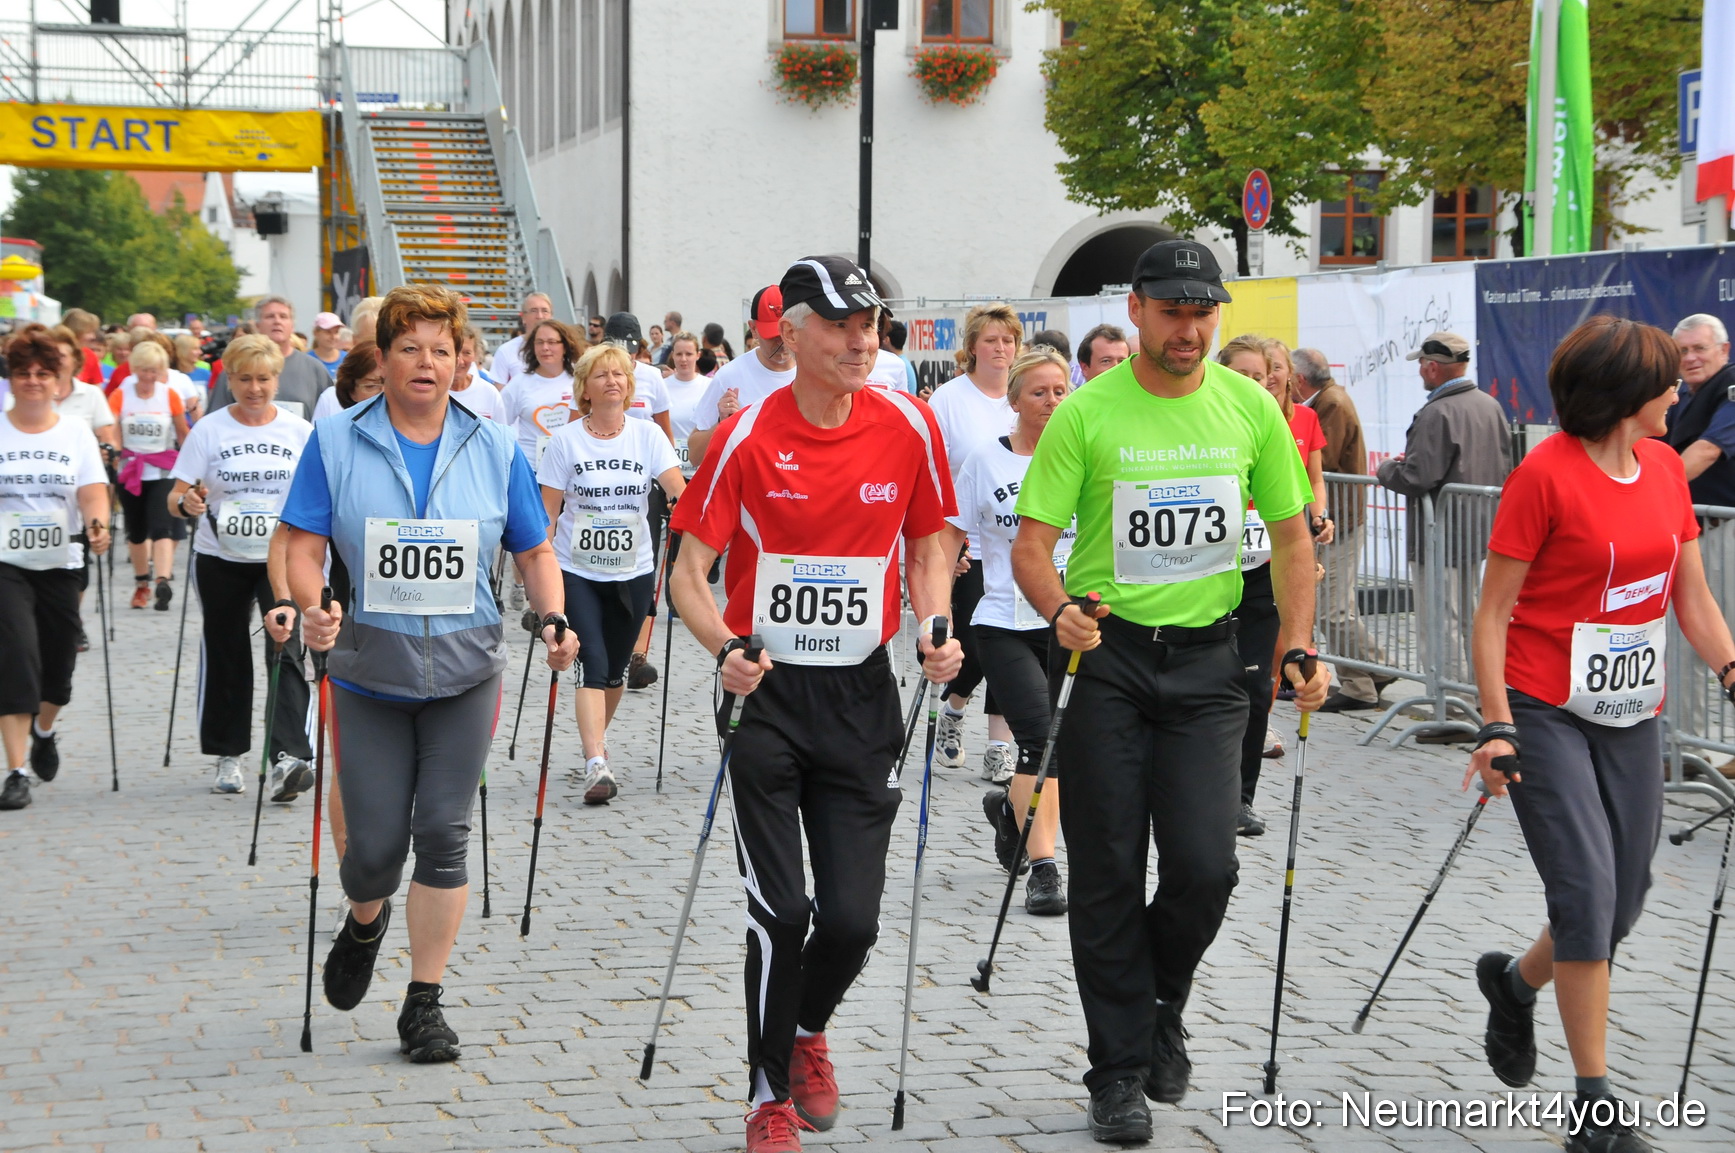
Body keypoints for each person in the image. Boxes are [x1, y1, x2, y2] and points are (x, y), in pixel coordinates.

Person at [1010, 239, 1328, 1143]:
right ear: (1139, 308)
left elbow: (1294, 539)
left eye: (1203, 313)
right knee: (1106, 869)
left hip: (1207, 664)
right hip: (1106, 661)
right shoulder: (1086, 413)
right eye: (1172, 312)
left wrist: (1297, 642)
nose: (1188, 330)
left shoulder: (1248, 409)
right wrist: (1059, 607)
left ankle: (1162, 999)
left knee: (1205, 863)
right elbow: (1033, 545)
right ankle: (1115, 1072)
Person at [669, 255, 961, 1152]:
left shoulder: (908, 424)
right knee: (781, 909)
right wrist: (725, 649)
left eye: (868, 322)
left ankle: (805, 1030)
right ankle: (766, 1094)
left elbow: (929, 544)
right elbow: (686, 574)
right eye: (837, 324)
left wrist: (935, 622)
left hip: (860, 691)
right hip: (766, 692)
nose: (859, 339)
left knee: (851, 919)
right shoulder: (745, 436)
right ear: (787, 333)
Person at [283, 284, 577, 1064]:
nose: (425, 362)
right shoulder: (337, 438)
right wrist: (311, 605)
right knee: (374, 848)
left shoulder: (492, 443)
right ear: (382, 357)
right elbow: (299, 543)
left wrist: (551, 614)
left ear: (462, 360)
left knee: (444, 833)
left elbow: (534, 547)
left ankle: (424, 1002)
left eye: (441, 349)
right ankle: (364, 919)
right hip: (367, 671)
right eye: (409, 347)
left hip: (465, 669)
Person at [1467, 316, 1735, 1153]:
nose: (1679, 390)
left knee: (1622, 898)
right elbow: (1492, 614)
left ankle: (1513, 985)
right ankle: (1595, 1109)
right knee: (1584, 894)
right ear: (1627, 394)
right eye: (1667, 381)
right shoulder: (1542, 477)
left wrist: (1733, 671)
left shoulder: (1661, 467)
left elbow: (1688, 595)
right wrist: (1494, 723)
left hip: (1628, 711)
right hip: (1542, 706)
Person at [942, 346, 1074, 914]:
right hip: (1003, 620)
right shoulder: (985, 462)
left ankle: (1008, 811)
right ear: (1014, 399)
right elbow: (949, 537)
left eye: (1060, 391)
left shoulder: (1082, 457)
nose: (1050, 401)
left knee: (1060, 748)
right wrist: (934, 610)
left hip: (1071, 623)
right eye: (1039, 392)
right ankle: (1044, 868)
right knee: (1041, 740)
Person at [167, 334, 316, 797]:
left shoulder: (299, 431)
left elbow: (318, 495)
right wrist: (187, 502)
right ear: (229, 380)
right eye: (245, 379)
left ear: (278, 379)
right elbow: (175, 497)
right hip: (221, 558)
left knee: (288, 648)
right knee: (227, 652)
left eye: (265, 379)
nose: (255, 388)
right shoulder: (209, 430)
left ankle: (288, 757)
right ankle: (227, 755)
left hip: (284, 559)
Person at [538, 342, 683, 803]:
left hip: (633, 569)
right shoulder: (566, 441)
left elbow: (676, 492)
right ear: (585, 387)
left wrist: (691, 522)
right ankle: (596, 761)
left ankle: (595, 741)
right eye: (601, 375)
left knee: (617, 668)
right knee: (592, 661)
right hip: (576, 569)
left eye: (619, 374)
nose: (612, 381)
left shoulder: (647, 436)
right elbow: (549, 512)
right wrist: (533, 565)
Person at [1217, 336, 1332, 837]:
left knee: (1254, 686)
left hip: (1262, 575)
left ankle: (1241, 797)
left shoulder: (1276, 428)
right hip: (1210, 575)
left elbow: (1295, 514)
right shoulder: (1205, 424)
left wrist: (1306, 552)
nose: (1253, 384)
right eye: (1240, 375)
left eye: (1260, 376)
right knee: (1213, 688)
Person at [0, 331, 112, 811]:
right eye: (23, 372)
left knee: (59, 666)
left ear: (58, 380)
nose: (32, 381)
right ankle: (15, 770)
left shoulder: (73, 432)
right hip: (6, 561)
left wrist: (98, 523)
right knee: (16, 656)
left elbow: (91, 490)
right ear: (11, 377)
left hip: (62, 559)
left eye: (42, 374)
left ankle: (45, 730)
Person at [1376, 330, 1512, 687]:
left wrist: (1388, 468)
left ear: (1434, 368)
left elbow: (1417, 478)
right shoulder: (1489, 404)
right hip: (1478, 530)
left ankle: (1449, 704)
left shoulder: (1438, 412)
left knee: (1441, 620)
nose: (1420, 369)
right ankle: (1478, 693)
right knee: (1470, 616)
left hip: (1441, 534)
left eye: (1422, 363)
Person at [926, 303, 1022, 783]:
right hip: (968, 542)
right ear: (972, 348)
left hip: (1019, 542)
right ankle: (955, 707)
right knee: (978, 647)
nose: (1001, 348)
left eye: (1008, 340)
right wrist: (947, 546)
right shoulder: (949, 398)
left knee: (1013, 641)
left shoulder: (1023, 397)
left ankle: (1000, 747)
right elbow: (936, 471)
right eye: (991, 340)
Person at [1291, 347, 1391, 713]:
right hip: (1334, 516)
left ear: (1299, 379)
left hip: (1336, 519)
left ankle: (1361, 681)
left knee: (1331, 609)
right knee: (1335, 606)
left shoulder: (1329, 404)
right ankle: (1374, 670)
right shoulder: (1329, 399)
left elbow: (1321, 461)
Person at [110, 339, 191, 611]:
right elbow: (111, 427)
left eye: (154, 371)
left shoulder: (169, 395)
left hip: (162, 469)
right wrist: (113, 450)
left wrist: (193, 461)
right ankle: (141, 583)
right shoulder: (122, 394)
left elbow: (182, 431)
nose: (148, 376)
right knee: (135, 531)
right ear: (135, 369)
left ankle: (162, 581)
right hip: (131, 469)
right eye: (144, 370)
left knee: (161, 526)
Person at [685, 287, 795, 466]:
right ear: (753, 329)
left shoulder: (815, 371)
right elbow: (695, 455)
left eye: (787, 332)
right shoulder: (730, 376)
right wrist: (723, 424)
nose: (781, 342)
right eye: (772, 336)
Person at [208, 297, 331, 419]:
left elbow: (331, 417)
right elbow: (216, 421)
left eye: (283, 316)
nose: (277, 321)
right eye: (270, 316)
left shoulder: (315, 369)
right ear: (257, 326)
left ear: (292, 326)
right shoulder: (236, 368)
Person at [499, 319, 582, 468]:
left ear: (565, 346)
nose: (545, 348)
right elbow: (499, 425)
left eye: (551, 342)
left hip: (571, 466)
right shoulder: (519, 384)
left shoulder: (579, 381)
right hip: (530, 469)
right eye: (539, 342)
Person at [663, 331, 709, 476]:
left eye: (688, 354)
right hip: (669, 469)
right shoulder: (662, 387)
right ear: (672, 355)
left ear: (698, 355)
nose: (683, 359)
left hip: (700, 469)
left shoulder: (710, 386)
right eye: (679, 354)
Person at [490, 292, 554, 387]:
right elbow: (499, 394)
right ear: (523, 317)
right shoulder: (506, 351)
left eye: (545, 311)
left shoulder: (562, 348)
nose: (540, 316)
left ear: (551, 316)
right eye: (533, 311)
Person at [313, 341, 385, 421]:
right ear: (352, 391)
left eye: (391, 385)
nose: (384, 394)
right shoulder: (330, 430)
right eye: (371, 386)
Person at [451, 325, 504, 421]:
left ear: (475, 355)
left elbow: (500, 434)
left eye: (467, 353)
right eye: (454, 351)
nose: (460, 361)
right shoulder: (429, 393)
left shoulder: (489, 393)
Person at [310, 312, 346, 379]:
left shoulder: (348, 359)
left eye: (336, 332)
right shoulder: (307, 360)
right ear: (315, 333)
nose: (333, 337)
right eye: (328, 332)